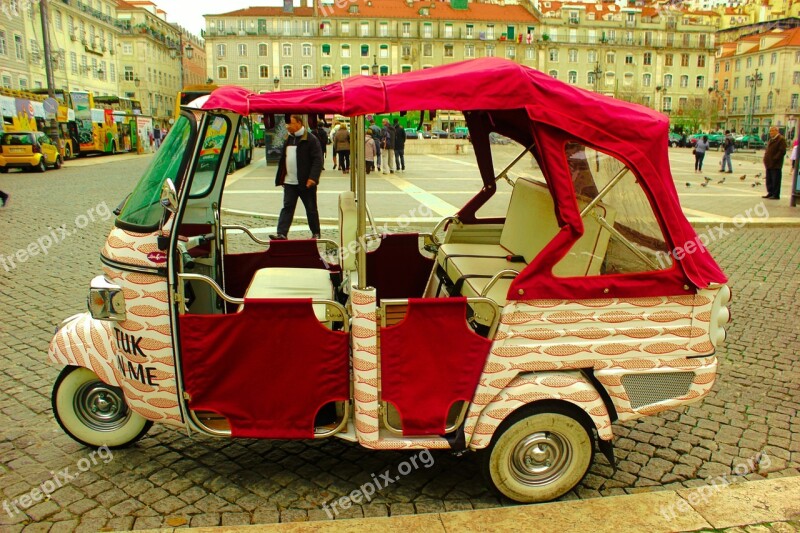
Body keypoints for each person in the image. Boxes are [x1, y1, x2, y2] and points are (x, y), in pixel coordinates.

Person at [269, 115, 323, 240]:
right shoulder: (288, 138)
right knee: (287, 208)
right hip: (289, 182)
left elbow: (318, 161)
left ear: (299, 123)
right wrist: (282, 177)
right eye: (287, 124)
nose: (287, 127)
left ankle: (316, 232)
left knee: (311, 209)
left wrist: (313, 178)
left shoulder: (311, 139)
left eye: (290, 124)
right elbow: (284, 159)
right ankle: (281, 233)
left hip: (305, 182)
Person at [762, 126, 787, 200]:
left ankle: (776, 194)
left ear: (777, 131)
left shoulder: (781, 139)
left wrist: (775, 158)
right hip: (769, 163)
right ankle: (770, 192)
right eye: (770, 131)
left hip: (775, 164)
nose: (771, 133)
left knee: (775, 179)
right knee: (769, 179)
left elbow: (782, 151)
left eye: (772, 131)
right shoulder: (771, 139)